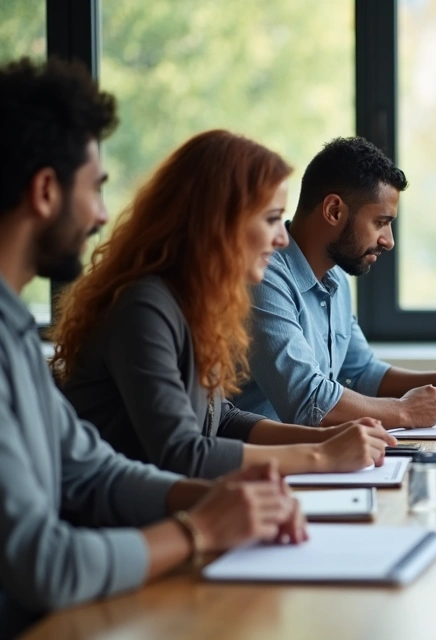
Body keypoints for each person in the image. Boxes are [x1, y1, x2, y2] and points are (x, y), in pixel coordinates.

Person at [0, 57, 306, 637]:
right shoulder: (139, 305)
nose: (102, 214)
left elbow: (93, 473)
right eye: (94, 189)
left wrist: (220, 498)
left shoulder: (12, 330)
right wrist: (202, 528)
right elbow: (47, 564)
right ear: (45, 191)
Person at [54, 130, 396, 480]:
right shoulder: (144, 307)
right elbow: (182, 452)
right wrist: (320, 455)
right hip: (124, 522)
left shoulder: (198, 303)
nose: (281, 238)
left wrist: (324, 439)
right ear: (219, 222)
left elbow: (221, 418)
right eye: (271, 219)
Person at [233, 137, 436, 428]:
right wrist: (402, 411)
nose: (389, 241)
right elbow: (308, 400)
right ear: (333, 211)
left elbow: (362, 372)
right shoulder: (264, 276)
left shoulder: (336, 278)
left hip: (312, 459)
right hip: (259, 464)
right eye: (380, 222)